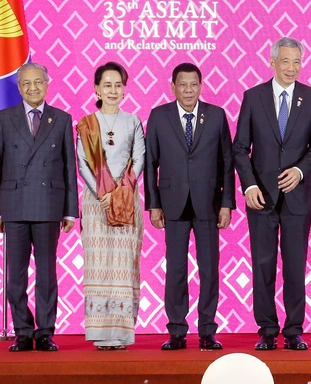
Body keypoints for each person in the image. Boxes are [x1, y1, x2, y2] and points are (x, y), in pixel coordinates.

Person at [233, 37, 311, 351]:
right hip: (261, 197)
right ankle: (268, 330)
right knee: (263, 264)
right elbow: (240, 148)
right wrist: (250, 185)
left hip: (297, 196)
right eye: (285, 61)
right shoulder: (253, 97)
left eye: (297, 62)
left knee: (295, 265)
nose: (291, 68)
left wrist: (300, 170)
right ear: (272, 62)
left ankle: (294, 330)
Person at [144, 63, 235, 351]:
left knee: (209, 268)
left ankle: (207, 330)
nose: (188, 90)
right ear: (172, 87)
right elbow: (150, 164)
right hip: (173, 203)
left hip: (208, 203)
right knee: (176, 269)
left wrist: (227, 204)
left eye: (193, 84)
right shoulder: (159, 116)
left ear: (201, 85)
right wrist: (154, 205)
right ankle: (176, 331)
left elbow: (227, 162)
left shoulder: (217, 115)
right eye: (182, 84)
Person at [0, 62, 77, 352]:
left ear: (47, 83)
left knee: (47, 273)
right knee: (15, 275)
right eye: (26, 83)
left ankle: (45, 332)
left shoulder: (61, 119)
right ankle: (22, 330)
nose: (33, 88)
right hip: (14, 204)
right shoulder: (4, 119)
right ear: (18, 88)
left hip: (48, 205)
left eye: (38, 82)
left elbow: (69, 167)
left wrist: (70, 210)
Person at [76, 61, 145, 350]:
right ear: (96, 89)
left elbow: (139, 158)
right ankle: (100, 332)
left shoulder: (133, 121)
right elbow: (82, 162)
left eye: (118, 85)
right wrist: (102, 194)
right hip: (95, 204)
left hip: (127, 202)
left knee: (124, 264)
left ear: (125, 89)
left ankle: (122, 332)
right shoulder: (87, 123)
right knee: (98, 264)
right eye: (107, 85)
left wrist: (119, 193)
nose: (113, 90)